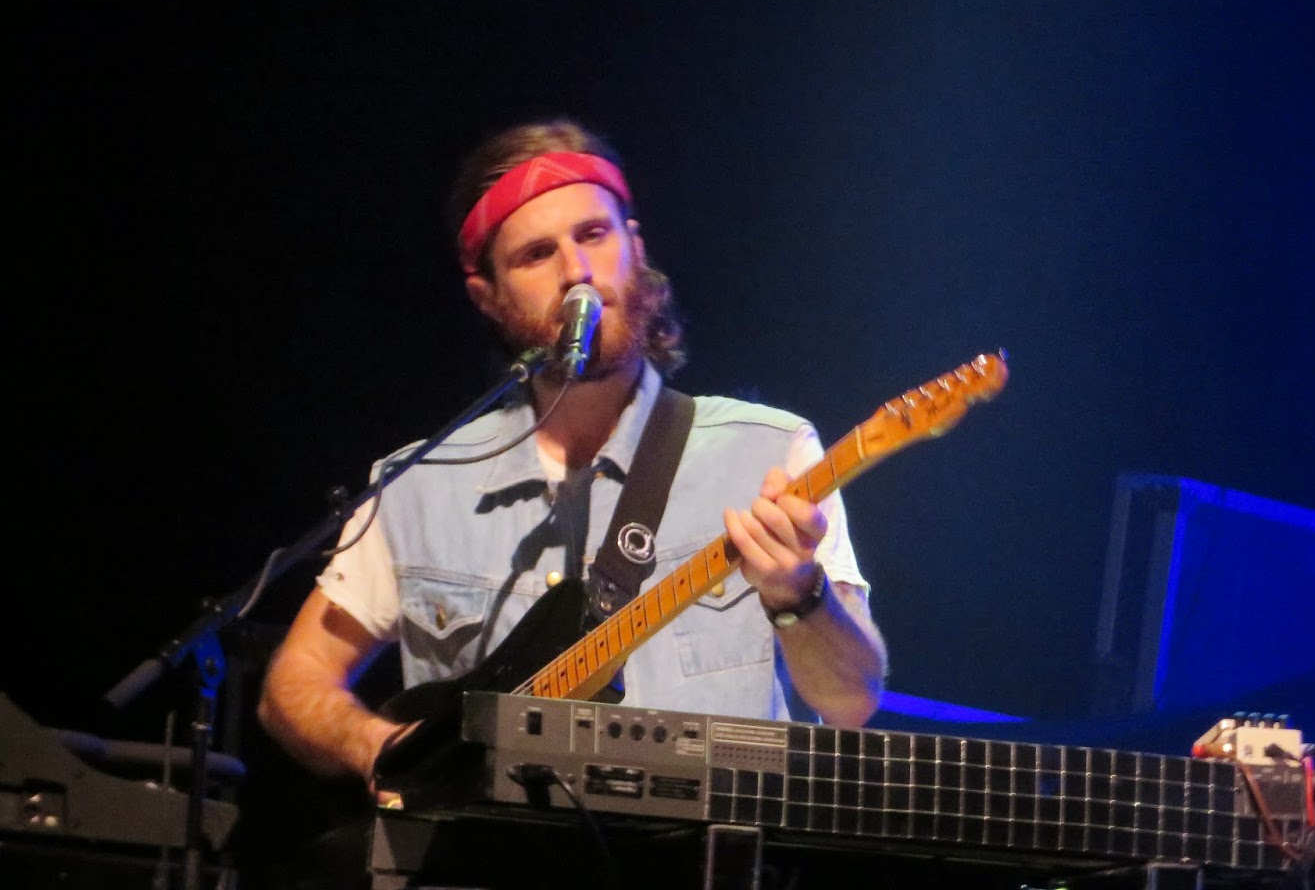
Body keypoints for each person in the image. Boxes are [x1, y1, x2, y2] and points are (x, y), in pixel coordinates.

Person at [256, 118, 888, 797]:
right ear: (487, 297)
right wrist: (381, 746)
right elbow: (292, 683)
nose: (577, 273)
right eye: (536, 255)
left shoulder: (769, 450)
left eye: (594, 235)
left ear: (633, 247)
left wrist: (802, 597)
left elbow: (851, 702)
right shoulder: (419, 482)